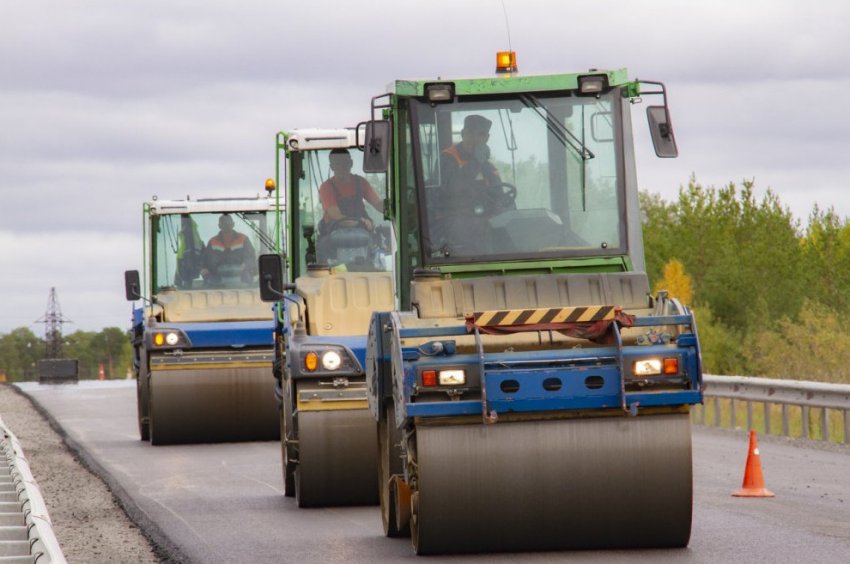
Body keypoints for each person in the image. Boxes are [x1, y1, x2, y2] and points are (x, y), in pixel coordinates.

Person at [438, 114, 504, 215]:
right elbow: (452, 189)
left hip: (483, 220)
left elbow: (499, 195)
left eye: (481, 135)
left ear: (487, 138)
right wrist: (476, 162)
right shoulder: (447, 158)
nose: (475, 139)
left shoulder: (488, 167)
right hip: (453, 221)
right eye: (470, 133)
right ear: (463, 134)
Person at [318, 148, 383, 234]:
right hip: (334, 235)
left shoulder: (361, 182)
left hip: (362, 232)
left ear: (351, 163)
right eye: (338, 164)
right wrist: (360, 222)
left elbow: (378, 204)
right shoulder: (326, 187)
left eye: (345, 163)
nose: (342, 167)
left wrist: (395, 207)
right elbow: (336, 215)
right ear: (332, 167)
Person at [200, 214, 256, 285]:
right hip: (217, 280)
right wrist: (204, 269)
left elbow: (251, 257)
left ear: (233, 224)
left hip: (242, 277)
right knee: (208, 282)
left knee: (249, 278)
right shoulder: (212, 242)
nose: (226, 225)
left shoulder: (243, 239)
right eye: (223, 223)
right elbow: (205, 261)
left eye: (228, 223)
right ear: (219, 226)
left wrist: (245, 265)